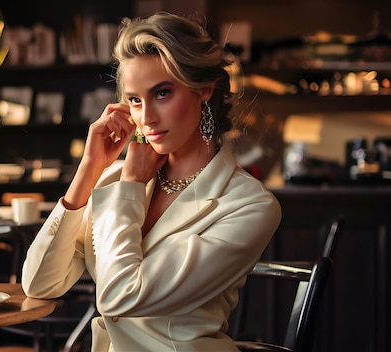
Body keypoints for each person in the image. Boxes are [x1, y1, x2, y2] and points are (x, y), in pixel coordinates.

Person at [21, 11, 281, 352]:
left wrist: (129, 184)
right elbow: (40, 284)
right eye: (135, 100)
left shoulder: (249, 206)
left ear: (203, 89)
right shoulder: (117, 178)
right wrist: (89, 168)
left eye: (162, 94)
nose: (146, 118)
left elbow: (119, 297)